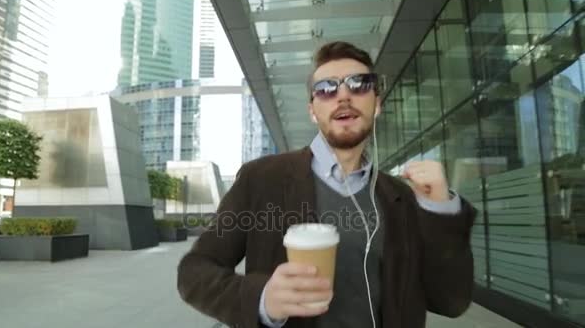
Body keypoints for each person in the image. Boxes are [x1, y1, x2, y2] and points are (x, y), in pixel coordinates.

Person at [177, 41, 477, 328]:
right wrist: (263, 299)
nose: (343, 96)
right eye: (325, 89)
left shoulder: (401, 196)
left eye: (358, 84)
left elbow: (450, 301)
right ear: (312, 110)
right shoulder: (261, 180)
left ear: (377, 104)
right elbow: (194, 272)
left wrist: (441, 211)